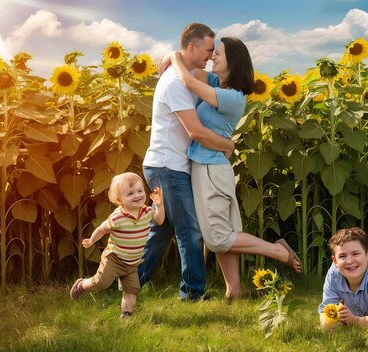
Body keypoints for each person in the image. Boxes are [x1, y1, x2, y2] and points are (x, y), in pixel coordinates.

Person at [165, 37, 302, 299]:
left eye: (218, 53)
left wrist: (173, 57)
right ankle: (234, 291)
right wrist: (173, 59)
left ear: (234, 62)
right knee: (226, 233)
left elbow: (189, 81)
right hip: (213, 168)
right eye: (213, 52)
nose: (213, 57)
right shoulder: (220, 84)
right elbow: (194, 70)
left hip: (209, 169)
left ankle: (277, 251)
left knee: (216, 238)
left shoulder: (231, 98)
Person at [139, 23, 235, 301]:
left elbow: (213, 81)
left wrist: (172, 55)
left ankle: (125, 282)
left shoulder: (189, 73)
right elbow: (195, 131)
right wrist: (228, 145)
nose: (210, 55)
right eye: (208, 50)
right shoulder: (175, 83)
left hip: (169, 165)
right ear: (192, 47)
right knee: (191, 230)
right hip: (167, 167)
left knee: (162, 231)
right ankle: (193, 294)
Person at [69, 172, 165, 320]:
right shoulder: (118, 217)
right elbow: (102, 229)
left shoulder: (147, 212)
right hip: (114, 258)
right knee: (101, 283)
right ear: (120, 200)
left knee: (132, 289)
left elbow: (159, 220)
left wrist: (159, 205)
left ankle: (126, 315)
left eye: (140, 191)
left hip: (132, 262)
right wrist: (91, 241)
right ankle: (81, 285)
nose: (137, 195)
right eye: (130, 193)